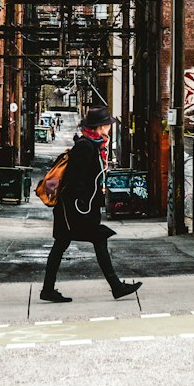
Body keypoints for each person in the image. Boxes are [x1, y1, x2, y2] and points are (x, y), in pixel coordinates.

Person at [39, 103, 142, 304]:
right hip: (75, 210)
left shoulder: (90, 145)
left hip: (74, 209)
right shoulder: (86, 147)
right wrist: (82, 203)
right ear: (101, 126)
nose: (110, 127)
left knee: (63, 245)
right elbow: (75, 179)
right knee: (94, 239)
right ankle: (116, 287)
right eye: (108, 124)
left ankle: (48, 289)